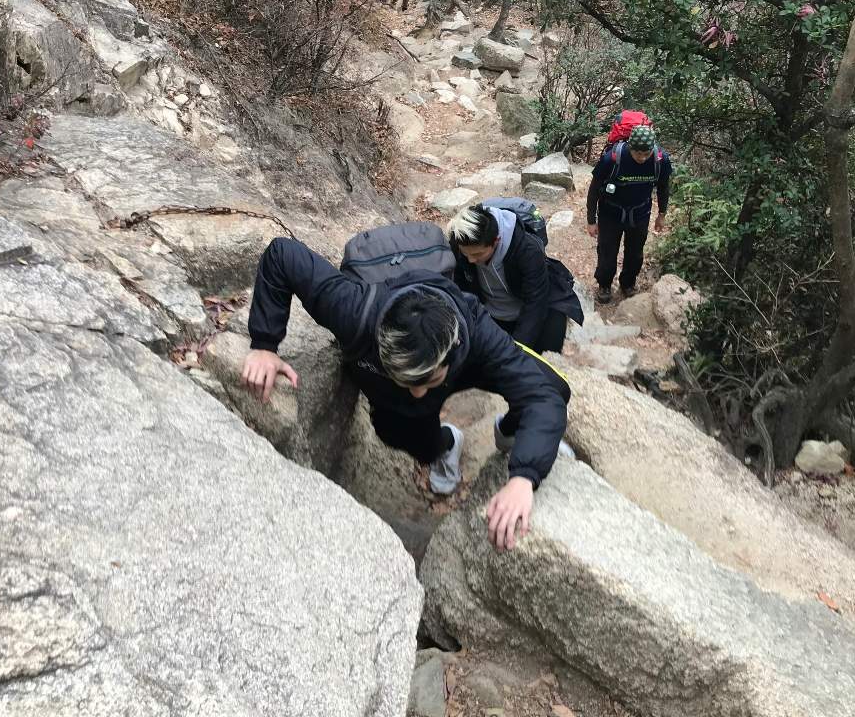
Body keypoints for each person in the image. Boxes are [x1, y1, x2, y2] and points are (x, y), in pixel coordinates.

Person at [240, 236, 572, 551]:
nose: (417, 392)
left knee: (555, 387)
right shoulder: (353, 311)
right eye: (409, 380)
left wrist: (524, 477)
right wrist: (265, 344)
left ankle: (511, 431)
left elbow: (541, 395)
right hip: (387, 386)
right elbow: (282, 255)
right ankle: (447, 443)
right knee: (408, 434)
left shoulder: (477, 332)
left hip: (465, 365)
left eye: (426, 380)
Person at [446, 203, 584, 354]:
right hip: (493, 312)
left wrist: (516, 351)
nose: (471, 260)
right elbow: (462, 291)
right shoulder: (460, 242)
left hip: (533, 306)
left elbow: (535, 304)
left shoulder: (527, 250)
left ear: (496, 241)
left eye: (478, 254)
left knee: (542, 354)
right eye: (466, 254)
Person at [585, 124, 673, 304]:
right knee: (607, 251)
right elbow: (594, 189)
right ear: (630, 147)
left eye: (646, 153)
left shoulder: (660, 160)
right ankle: (604, 284)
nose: (642, 158)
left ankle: (628, 283)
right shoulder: (613, 159)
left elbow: (663, 188)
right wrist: (591, 219)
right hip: (610, 212)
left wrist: (662, 214)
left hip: (640, 213)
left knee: (635, 253)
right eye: (637, 153)